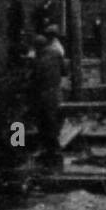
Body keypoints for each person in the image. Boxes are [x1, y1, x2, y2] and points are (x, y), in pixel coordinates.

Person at [31, 33, 64, 170]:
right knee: (52, 124)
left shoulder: (40, 60)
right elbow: (64, 71)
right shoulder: (56, 54)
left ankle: (18, 147)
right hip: (56, 94)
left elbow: (36, 78)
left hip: (44, 96)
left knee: (20, 122)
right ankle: (53, 155)